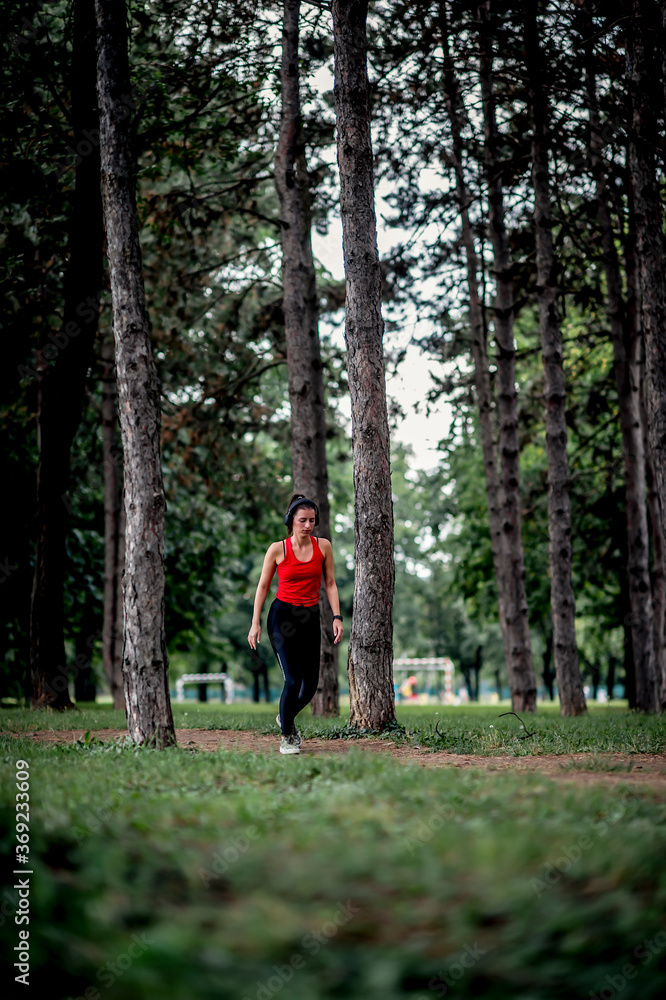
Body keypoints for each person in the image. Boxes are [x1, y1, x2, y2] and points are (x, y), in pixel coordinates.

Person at [248, 494, 343, 755]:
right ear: (291, 520)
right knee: (292, 680)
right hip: (282, 618)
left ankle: (285, 715)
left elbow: (331, 584)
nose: (308, 525)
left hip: (310, 617)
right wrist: (254, 623)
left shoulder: (323, 547)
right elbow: (263, 586)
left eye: (312, 520)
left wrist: (337, 616)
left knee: (310, 685)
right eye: (302, 520)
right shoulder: (278, 549)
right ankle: (287, 735)